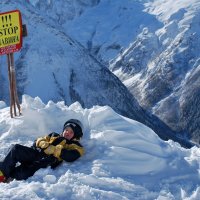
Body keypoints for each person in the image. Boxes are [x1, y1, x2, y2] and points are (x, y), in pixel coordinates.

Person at [0, 119, 84, 183]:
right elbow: (39, 139)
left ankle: (4, 170)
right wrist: (42, 143)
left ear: (76, 135)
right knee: (16, 149)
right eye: (66, 130)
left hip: (44, 162)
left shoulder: (76, 146)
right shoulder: (54, 135)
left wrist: (54, 150)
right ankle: (2, 175)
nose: (67, 133)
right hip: (35, 153)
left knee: (20, 174)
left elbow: (71, 156)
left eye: (71, 132)